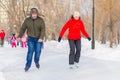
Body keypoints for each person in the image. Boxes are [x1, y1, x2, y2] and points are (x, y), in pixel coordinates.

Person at [18, 8, 45, 72]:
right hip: (30, 39)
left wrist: (41, 38)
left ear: (37, 14)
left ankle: (36, 61)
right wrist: (19, 36)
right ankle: (27, 66)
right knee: (30, 52)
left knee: (38, 52)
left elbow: (43, 30)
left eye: (35, 14)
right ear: (31, 14)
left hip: (39, 39)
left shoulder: (40, 20)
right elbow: (23, 29)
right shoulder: (27, 20)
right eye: (33, 14)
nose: (34, 15)